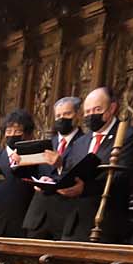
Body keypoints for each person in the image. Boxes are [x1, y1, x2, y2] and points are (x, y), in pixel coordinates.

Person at [62, 86, 133, 242]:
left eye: (97, 109)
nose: (91, 115)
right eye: (87, 112)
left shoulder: (129, 135)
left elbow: (122, 176)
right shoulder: (80, 142)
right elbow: (68, 172)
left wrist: (85, 188)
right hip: (75, 224)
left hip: (106, 222)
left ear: (112, 108)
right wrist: (52, 183)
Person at [22, 96, 82, 239]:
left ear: (78, 115)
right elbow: (33, 171)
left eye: (67, 114)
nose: (62, 119)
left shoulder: (84, 142)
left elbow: (80, 174)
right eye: (58, 116)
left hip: (65, 215)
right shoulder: (47, 143)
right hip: (38, 216)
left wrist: (61, 165)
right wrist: (36, 181)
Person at [0, 110, 39, 239]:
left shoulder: (35, 158)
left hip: (21, 227)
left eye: (17, 131)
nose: (12, 135)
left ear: (26, 134)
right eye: (9, 131)